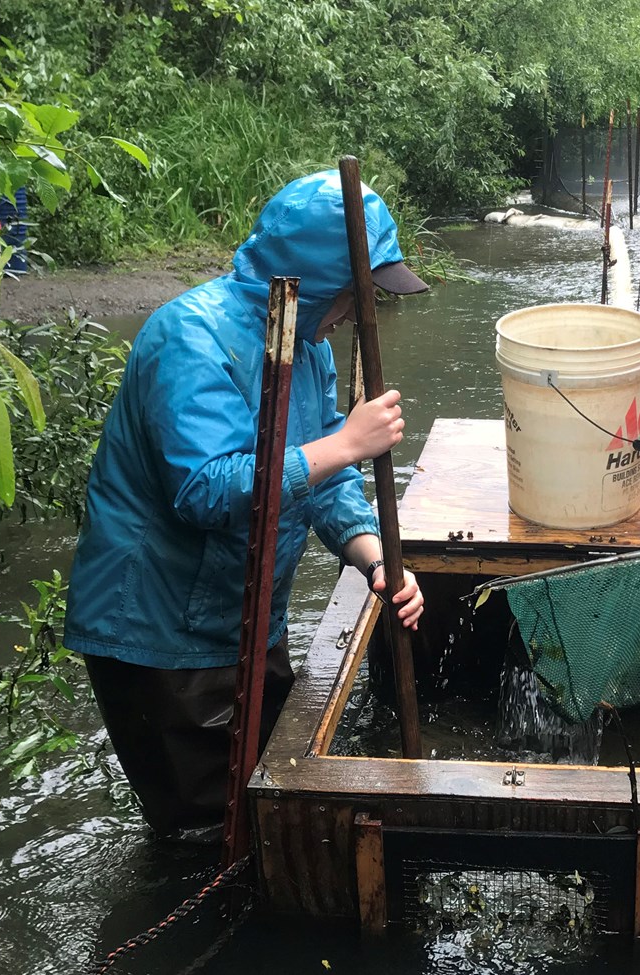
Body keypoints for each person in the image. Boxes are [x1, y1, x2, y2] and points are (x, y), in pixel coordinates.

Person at [63, 171, 427, 843]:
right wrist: (345, 442)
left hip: (245, 615)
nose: (355, 311)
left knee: (266, 801)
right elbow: (205, 490)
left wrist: (377, 560)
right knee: (205, 835)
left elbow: (327, 481)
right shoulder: (190, 338)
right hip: (160, 634)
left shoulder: (307, 348)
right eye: (356, 293)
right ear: (319, 280)